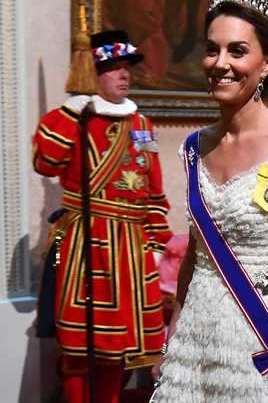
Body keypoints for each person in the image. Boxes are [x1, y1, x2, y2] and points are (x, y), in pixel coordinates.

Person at [151, 0, 268, 402]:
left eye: (237, 50)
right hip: (196, 339)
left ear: (267, 62)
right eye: (212, 50)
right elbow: (197, 255)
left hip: (257, 339)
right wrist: (172, 337)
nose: (220, 63)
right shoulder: (194, 148)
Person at [33, 30, 172, 403]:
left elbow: (155, 192)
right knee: (78, 348)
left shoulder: (141, 125)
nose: (124, 75)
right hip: (85, 246)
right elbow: (44, 163)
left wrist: (156, 243)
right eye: (113, 68)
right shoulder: (72, 121)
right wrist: (71, 110)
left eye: (126, 67)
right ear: (92, 74)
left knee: (119, 349)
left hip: (130, 251)